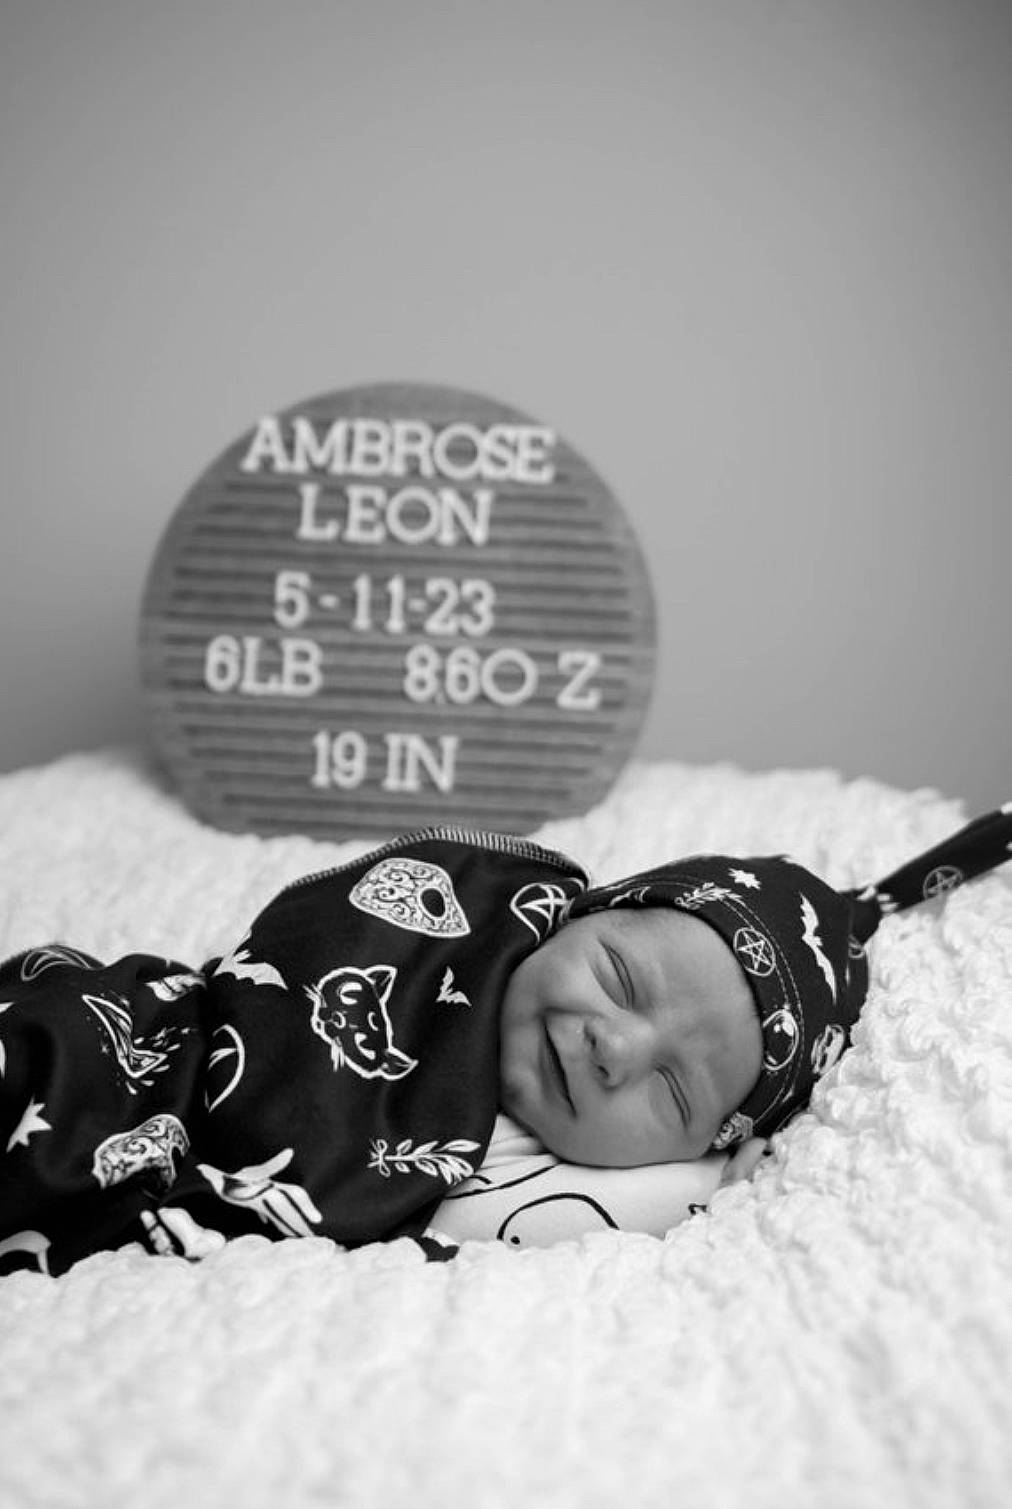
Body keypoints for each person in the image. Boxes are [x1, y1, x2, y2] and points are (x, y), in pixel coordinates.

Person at [2, 805, 1009, 1275]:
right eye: (620, 978)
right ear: (575, 916)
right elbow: (303, 953)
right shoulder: (467, 925)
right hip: (121, 1047)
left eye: (672, 1093)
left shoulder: (582, 1181)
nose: (617, 1048)